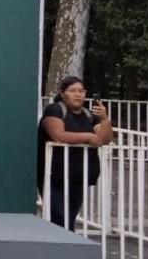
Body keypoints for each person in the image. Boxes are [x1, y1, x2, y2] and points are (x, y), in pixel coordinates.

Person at [38, 75, 113, 229]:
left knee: (70, 216)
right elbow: (58, 135)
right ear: (63, 93)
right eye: (73, 91)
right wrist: (87, 137)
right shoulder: (55, 109)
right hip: (54, 174)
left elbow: (104, 139)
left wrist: (105, 119)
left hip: (78, 175)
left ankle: (68, 246)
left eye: (81, 91)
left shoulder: (88, 115)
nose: (78, 94)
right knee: (58, 216)